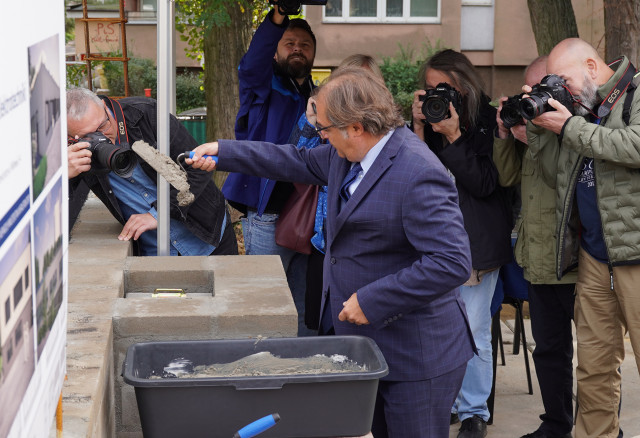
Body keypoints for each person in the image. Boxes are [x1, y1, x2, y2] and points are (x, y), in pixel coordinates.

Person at [187, 67, 476, 437]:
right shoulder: (345, 156)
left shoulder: (418, 172)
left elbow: (450, 263)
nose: (320, 135)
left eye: (324, 128)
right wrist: (224, 151)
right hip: (366, 346)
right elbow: (292, 160)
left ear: (355, 127)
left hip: (416, 357)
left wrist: (372, 301)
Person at [525, 38, 640, 438]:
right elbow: (556, 178)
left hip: (636, 255)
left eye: (566, 79)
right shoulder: (580, 109)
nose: (564, 88)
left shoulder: (637, 93)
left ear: (592, 67)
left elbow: (635, 143)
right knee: (593, 367)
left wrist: (571, 126)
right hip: (595, 256)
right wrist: (540, 126)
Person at [411, 49, 513, 438]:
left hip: (478, 245)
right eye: (433, 88)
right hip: (435, 243)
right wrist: (421, 127)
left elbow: (487, 183)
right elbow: (415, 171)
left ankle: (474, 413)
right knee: (438, 327)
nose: (442, 94)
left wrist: (453, 135)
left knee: (472, 328)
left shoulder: (489, 120)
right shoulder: (432, 120)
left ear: (465, 84)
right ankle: (449, 403)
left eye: (447, 87)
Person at [221, 1, 316, 336]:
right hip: (268, 216)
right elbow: (251, 64)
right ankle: (266, 374)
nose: (297, 50)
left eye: (305, 45)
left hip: (309, 218)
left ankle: (302, 378)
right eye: (289, 43)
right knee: (266, 304)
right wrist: (279, 15)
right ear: (275, 52)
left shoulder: (319, 96)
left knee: (304, 307)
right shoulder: (262, 87)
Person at [493, 56, 576, 438]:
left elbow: (560, 179)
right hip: (538, 257)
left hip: (573, 257)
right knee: (548, 349)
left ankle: (599, 427)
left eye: (536, 90)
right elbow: (507, 176)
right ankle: (557, 423)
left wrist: (540, 136)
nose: (530, 99)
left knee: (595, 357)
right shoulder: (536, 128)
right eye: (525, 91)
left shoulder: (572, 127)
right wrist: (506, 136)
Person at [66, 87, 237, 256]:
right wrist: (63, 176)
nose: (101, 138)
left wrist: (159, 214)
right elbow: (60, 217)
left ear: (104, 105)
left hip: (208, 235)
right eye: (89, 137)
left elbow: (197, 168)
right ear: (71, 138)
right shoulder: (72, 150)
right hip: (155, 251)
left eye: (103, 126)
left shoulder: (146, 114)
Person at [290, 54, 385, 330]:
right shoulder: (328, 123)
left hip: (364, 258)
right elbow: (296, 156)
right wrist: (313, 120)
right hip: (324, 242)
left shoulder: (390, 143)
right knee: (321, 324)